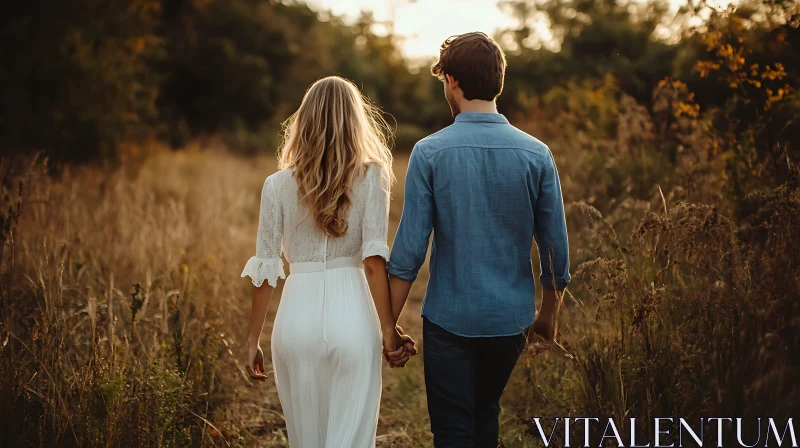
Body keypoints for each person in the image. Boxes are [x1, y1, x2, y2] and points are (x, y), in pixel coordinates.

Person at [385, 32, 571, 447]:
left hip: (449, 322)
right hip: (511, 321)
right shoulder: (537, 154)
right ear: (498, 79)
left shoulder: (429, 152)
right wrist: (548, 314)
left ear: (451, 80)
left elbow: (409, 252)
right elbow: (554, 247)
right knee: (486, 413)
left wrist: (389, 326)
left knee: (453, 430)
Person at [241, 75, 415, 447]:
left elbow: (266, 270)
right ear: (356, 120)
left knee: (306, 439)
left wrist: (252, 339)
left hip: (294, 321)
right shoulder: (373, 176)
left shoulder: (276, 185)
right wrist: (388, 331)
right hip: (352, 314)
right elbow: (372, 261)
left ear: (304, 120)